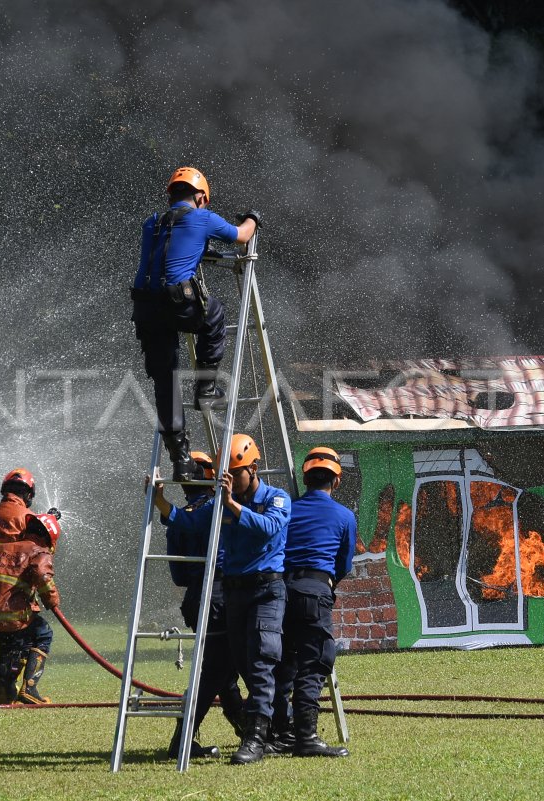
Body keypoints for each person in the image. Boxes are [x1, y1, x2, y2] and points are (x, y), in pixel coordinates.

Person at [155, 433, 290, 765]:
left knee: (259, 661)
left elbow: (269, 528)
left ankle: (257, 739)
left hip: (266, 591)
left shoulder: (277, 498)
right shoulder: (217, 503)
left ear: (253, 468)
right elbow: (185, 521)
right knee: (223, 669)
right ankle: (235, 732)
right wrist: (160, 501)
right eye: (221, 476)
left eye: (234, 474)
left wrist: (232, 505)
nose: (227, 481)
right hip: (232, 593)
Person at [131, 166, 261, 481]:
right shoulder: (203, 218)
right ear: (201, 197)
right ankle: (205, 387)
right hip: (177, 305)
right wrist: (253, 218)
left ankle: (181, 460)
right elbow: (242, 236)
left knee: (165, 383)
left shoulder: (153, 223)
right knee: (214, 314)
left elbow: (172, 254)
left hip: (146, 309)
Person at [272, 447, 355, 757]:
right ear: (336, 482)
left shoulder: (286, 510)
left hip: (280, 592)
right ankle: (306, 737)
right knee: (315, 662)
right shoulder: (344, 516)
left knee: (283, 664)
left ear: (305, 478)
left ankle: (281, 732)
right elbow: (343, 563)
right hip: (314, 593)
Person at [163, 451, 246, 760]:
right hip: (222, 595)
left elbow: (179, 575)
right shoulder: (217, 508)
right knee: (219, 670)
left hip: (197, 600)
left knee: (221, 670)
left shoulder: (178, 520)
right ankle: (184, 740)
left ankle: (247, 727)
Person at [0, 467, 60, 703]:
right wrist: (51, 600)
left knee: (10, 640)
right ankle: (26, 688)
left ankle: (4, 692)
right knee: (34, 635)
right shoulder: (23, 519)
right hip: (14, 597)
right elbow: (33, 554)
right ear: (29, 494)